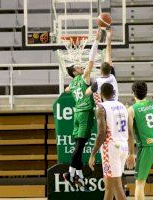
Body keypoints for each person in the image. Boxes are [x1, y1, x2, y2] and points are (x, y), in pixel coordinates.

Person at [63, 30, 101, 188]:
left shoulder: (71, 84)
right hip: (84, 113)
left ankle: (79, 175)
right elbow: (91, 63)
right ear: (74, 72)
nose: (81, 67)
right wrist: (96, 41)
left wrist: (71, 87)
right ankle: (70, 173)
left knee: (79, 145)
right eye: (78, 67)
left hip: (77, 114)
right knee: (80, 146)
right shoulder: (84, 77)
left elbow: (66, 90)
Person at [88, 83, 128, 200]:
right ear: (114, 93)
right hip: (123, 146)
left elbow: (101, 133)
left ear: (101, 94)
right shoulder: (122, 106)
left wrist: (93, 154)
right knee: (109, 187)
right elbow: (129, 131)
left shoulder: (101, 107)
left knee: (117, 187)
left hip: (111, 147)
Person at [86, 28, 119, 102]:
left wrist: (97, 40)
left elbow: (86, 93)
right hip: (116, 106)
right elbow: (108, 54)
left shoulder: (98, 82)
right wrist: (109, 39)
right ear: (110, 70)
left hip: (106, 109)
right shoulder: (112, 76)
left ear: (100, 72)